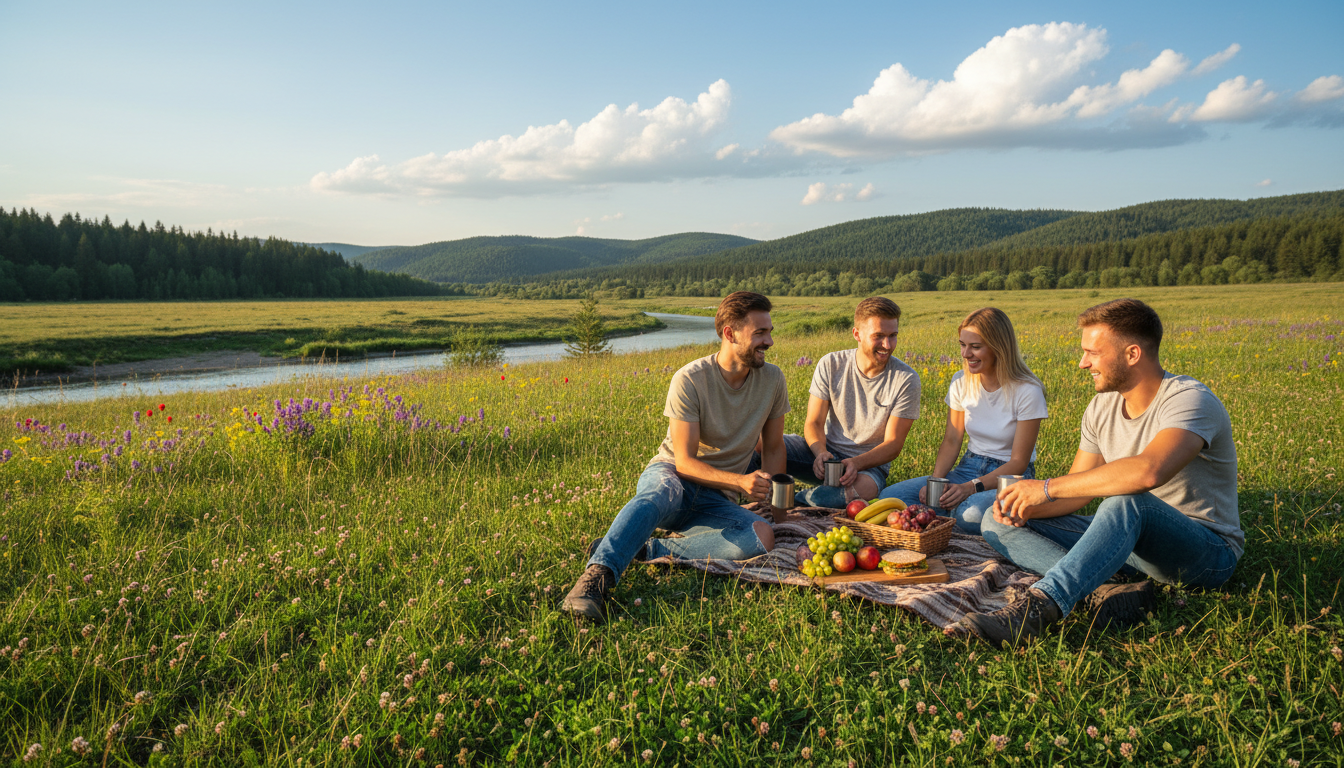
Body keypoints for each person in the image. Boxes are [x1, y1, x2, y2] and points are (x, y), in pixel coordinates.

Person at [960, 298, 1242, 647]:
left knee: (1127, 502)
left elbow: (1148, 472)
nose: (1083, 363)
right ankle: (1102, 589)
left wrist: (1045, 487)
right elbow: (1076, 495)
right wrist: (1024, 506)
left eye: (1093, 353)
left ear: (1132, 354)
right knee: (996, 517)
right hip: (1128, 543)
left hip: (1204, 552)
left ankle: (1038, 610)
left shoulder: (1190, 400)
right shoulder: (1102, 406)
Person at [561, 291, 790, 623]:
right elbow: (683, 461)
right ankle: (596, 577)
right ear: (730, 333)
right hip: (674, 477)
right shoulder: (691, 378)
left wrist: (780, 517)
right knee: (659, 491)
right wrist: (741, 482)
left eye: (769, 332)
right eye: (760, 333)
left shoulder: (773, 379)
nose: (769, 341)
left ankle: (649, 549)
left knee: (761, 536)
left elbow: (773, 449)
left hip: (717, 498)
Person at [879, 308, 1046, 534]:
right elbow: (952, 439)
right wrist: (936, 481)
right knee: (891, 497)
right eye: (962, 345)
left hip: (1009, 478)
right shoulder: (960, 381)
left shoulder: (1028, 390)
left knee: (970, 514)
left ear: (999, 347)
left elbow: (1019, 462)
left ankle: (951, 520)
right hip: (969, 466)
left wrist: (969, 488)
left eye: (975, 347)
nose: (966, 354)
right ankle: (947, 522)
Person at [761, 296, 920, 509]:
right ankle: (750, 496)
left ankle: (791, 501)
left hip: (868, 466)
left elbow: (893, 445)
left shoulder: (906, 379)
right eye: (879, 336)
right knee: (760, 444)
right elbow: (814, 422)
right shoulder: (831, 363)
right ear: (857, 334)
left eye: (893, 336)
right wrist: (820, 453)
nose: (887, 345)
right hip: (824, 453)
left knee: (861, 491)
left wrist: (856, 463)